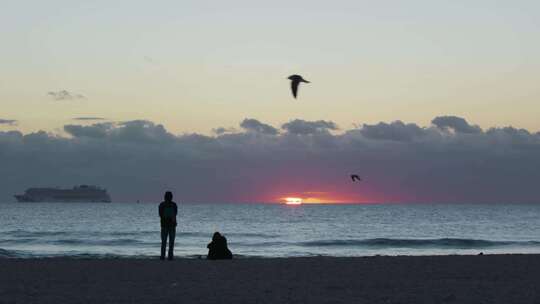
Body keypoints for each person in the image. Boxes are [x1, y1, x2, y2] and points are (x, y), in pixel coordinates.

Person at [159, 191, 178, 260]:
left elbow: (160, 214)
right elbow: (175, 213)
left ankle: (164, 256)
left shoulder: (163, 204)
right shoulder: (173, 205)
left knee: (165, 242)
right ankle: (169, 256)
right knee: (170, 242)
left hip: (167, 225)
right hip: (168, 225)